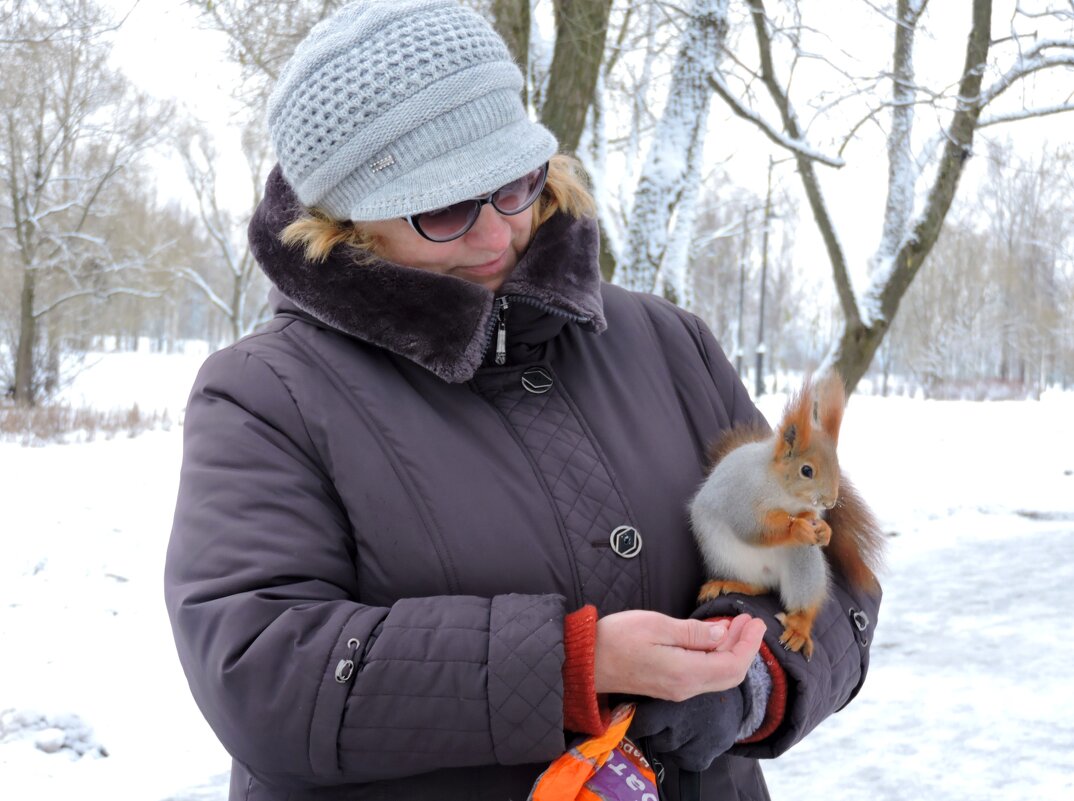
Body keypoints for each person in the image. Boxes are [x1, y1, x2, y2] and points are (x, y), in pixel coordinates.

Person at [163, 2, 881, 800]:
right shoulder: (266, 395)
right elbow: (260, 668)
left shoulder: (671, 344)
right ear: (344, 218)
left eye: (515, 184)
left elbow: (831, 562)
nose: (498, 235)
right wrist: (571, 664)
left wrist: (755, 683)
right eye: (444, 208)